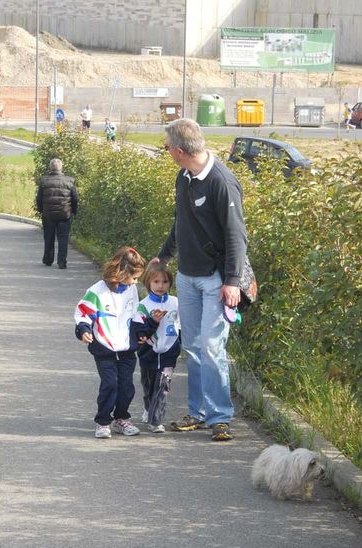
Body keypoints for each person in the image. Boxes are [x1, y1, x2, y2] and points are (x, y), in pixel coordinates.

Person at [154, 118, 248, 442]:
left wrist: (233, 281)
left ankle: (220, 417)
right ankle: (197, 412)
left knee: (211, 347)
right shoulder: (184, 177)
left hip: (216, 280)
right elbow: (181, 221)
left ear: (179, 151)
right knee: (192, 348)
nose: (166, 151)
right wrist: (164, 255)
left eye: (167, 147)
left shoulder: (221, 182)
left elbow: (237, 235)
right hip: (187, 277)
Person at [74, 247, 165, 439]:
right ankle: (103, 421)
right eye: (133, 278)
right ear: (121, 273)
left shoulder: (131, 291)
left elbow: (135, 315)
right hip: (104, 348)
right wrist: (84, 330)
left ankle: (122, 418)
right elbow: (83, 313)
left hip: (126, 349)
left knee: (126, 386)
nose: (135, 282)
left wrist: (142, 332)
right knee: (109, 384)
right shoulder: (97, 291)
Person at [131, 262, 180, 433]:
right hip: (148, 353)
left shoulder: (175, 303)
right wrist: (151, 324)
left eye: (165, 282)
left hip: (169, 351)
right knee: (149, 386)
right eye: (156, 282)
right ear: (148, 283)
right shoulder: (142, 306)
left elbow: (185, 323)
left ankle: (155, 420)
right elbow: (139, 330)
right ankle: (148, 408)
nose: (160, 286)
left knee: (163, 386)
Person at [36, 158, 78, 269]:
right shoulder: (70, 181)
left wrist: (41, 210)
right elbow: (74, 199)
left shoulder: (44, 181)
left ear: (50, 168)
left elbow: (39, 198)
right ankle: (62, 262)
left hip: (48, 214)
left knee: (48, 237)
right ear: (61, 168)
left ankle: (48, 259)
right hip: (65, 214)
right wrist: (74, 211)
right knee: (63, 238)